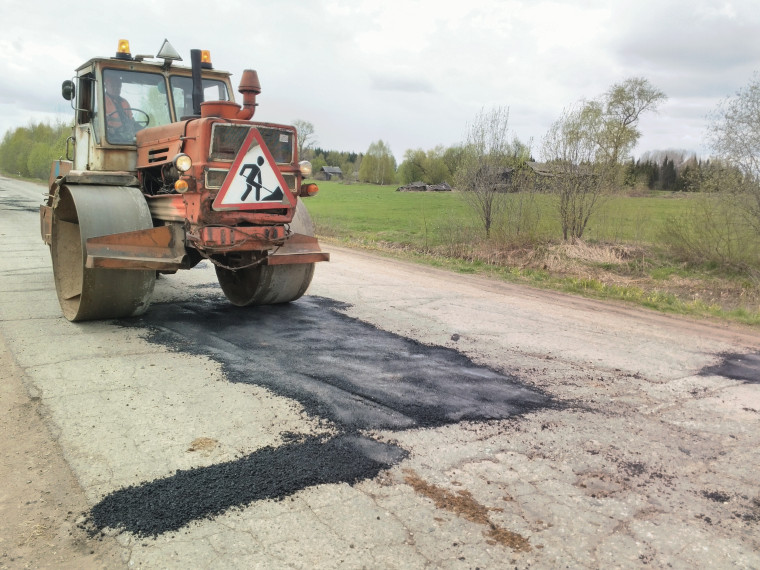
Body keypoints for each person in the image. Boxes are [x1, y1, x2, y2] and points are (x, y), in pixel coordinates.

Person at [104, 74, 136, 143]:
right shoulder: (102, 101)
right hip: (110, 138)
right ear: (106, 85)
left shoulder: (124, 102)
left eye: (118, 86)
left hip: (125, 137)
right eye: (113, 85)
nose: (116, 88)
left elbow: (131, 120)